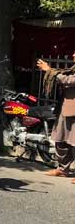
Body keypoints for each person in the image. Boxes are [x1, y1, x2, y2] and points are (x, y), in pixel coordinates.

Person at [37, 54, 75, 184]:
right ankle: (63, 169)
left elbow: (68, 80)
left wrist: (49, 70)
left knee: (74, 142)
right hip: (65, 109)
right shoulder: (73, 68)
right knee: (61, 140)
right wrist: (52, 71)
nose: (73, 55)